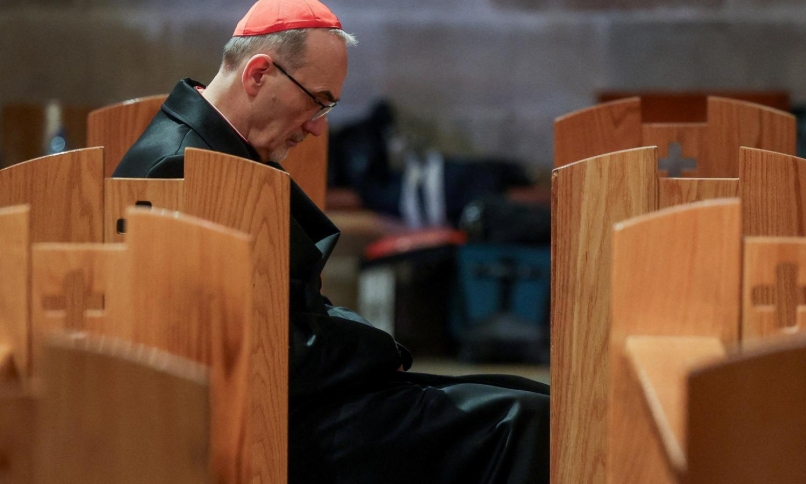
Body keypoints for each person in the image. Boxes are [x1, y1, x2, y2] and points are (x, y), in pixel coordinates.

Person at [113, 0, 549, 482]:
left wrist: (365, 346)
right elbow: (233, 345)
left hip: (293, 398)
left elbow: (283, 312)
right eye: (317, 101)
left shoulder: (218, 147)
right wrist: (376, 348)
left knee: (529, 399)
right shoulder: (181, 169)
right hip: (255, 427)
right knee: (523, 422)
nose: (318, 127)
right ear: (258, 73)